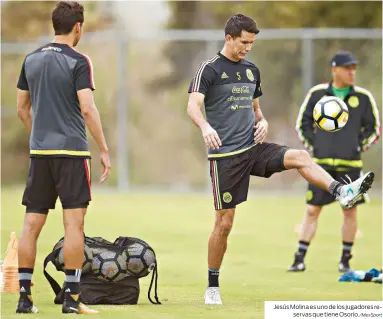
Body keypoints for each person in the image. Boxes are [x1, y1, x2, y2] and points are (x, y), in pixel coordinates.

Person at [186, 14, 375, 305]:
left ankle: (342, 191)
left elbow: (257, 112)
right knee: (224, 224)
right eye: (244, 42)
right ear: (229, 38)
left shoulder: (251, 71)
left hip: (253, 148)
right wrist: (206, 126)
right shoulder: (209, 70)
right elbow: (193, 105)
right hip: (225, 156)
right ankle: (212, 285)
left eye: (252, 43)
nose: (248, 48)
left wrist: (263, 123)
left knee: (300, 156)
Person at [16, 1, 111, 314]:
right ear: (78, 27)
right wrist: (104, 148)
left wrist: (37, 137)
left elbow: (22, 108)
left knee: (31, 225)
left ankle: (25, 299)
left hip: (40, 154)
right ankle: (71, 301)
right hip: (71, 153)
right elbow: (87, 107)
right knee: (74, 226)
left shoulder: (31, 59)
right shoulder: (79, 61)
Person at [289, 51, 381, 273]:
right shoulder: (317, 94)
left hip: (350, 165)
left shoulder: (363, 97)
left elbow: (374, 129)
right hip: (320, 166)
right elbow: (303, 123)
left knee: (349, 211)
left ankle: (345, 260)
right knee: (312, 210)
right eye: (347, 68)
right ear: (334, 70)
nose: (352, 72)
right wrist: (314, 145)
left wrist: (358, 146)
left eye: (354, 68)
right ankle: (299, 258)